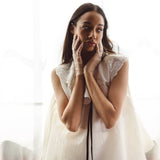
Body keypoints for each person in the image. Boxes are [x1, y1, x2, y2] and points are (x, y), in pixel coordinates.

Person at [41, 3, 160, 160]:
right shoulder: (59, 74)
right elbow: (72, 124)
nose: (93, 35)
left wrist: (89, 73)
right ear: (73, 28)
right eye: (86, 27)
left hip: (111, 152)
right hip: (71, 153)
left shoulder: (118, 64)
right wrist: (79, 72)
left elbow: (110, 119)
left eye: (99, 29)